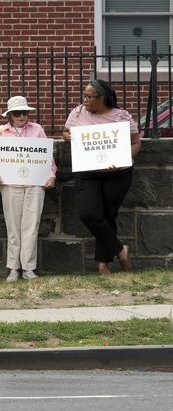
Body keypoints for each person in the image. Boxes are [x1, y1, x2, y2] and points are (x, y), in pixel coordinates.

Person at [63, 79, 141, 274]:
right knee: (90, 214)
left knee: (108, 216)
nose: (85, 100)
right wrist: (71, 137)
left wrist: (123, 157)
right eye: (85, 96)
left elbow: (136, 143)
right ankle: (120, 250)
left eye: (90, 97)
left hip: (117, 174)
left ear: (102, 98)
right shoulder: (78, 112)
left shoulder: (121, 116)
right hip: (87, 173)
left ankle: (103, 264)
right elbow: (65, 133)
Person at [0, 96, 57, 282]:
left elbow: (47, 157)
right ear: (10, 115)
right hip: (10, 184)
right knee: (13, 227)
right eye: (17, 113)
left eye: (25, 112)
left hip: (34, 184)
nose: (22, 116)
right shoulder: (2, 131)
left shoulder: (37, 129)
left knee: (31, 226)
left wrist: (51, 175)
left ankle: (29, 268)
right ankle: (13, 268)